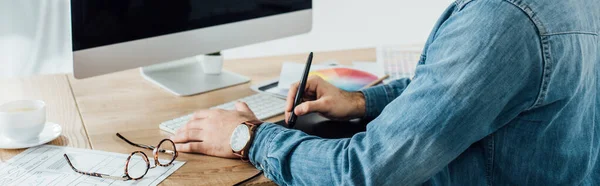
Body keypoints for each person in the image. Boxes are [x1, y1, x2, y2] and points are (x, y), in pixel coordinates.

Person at [170, 0, 600, 185]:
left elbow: (362, 173)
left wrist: (246, 136)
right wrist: (361, 101)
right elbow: (472, 88)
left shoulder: (501, 21)